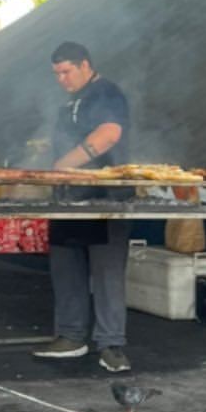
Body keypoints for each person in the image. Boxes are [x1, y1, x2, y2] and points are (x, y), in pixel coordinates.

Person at [31, 42, 133, 376]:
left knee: (106, 273)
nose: (61, 79)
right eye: (56, 73)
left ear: (85, 65)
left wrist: (63, 163)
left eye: (66, 71)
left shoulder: (106, 93)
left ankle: (111, 344)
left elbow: (109, 135)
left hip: (104, 196)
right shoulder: (71, 101)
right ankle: (71, 336)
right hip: (69, 196)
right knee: (66, 265)